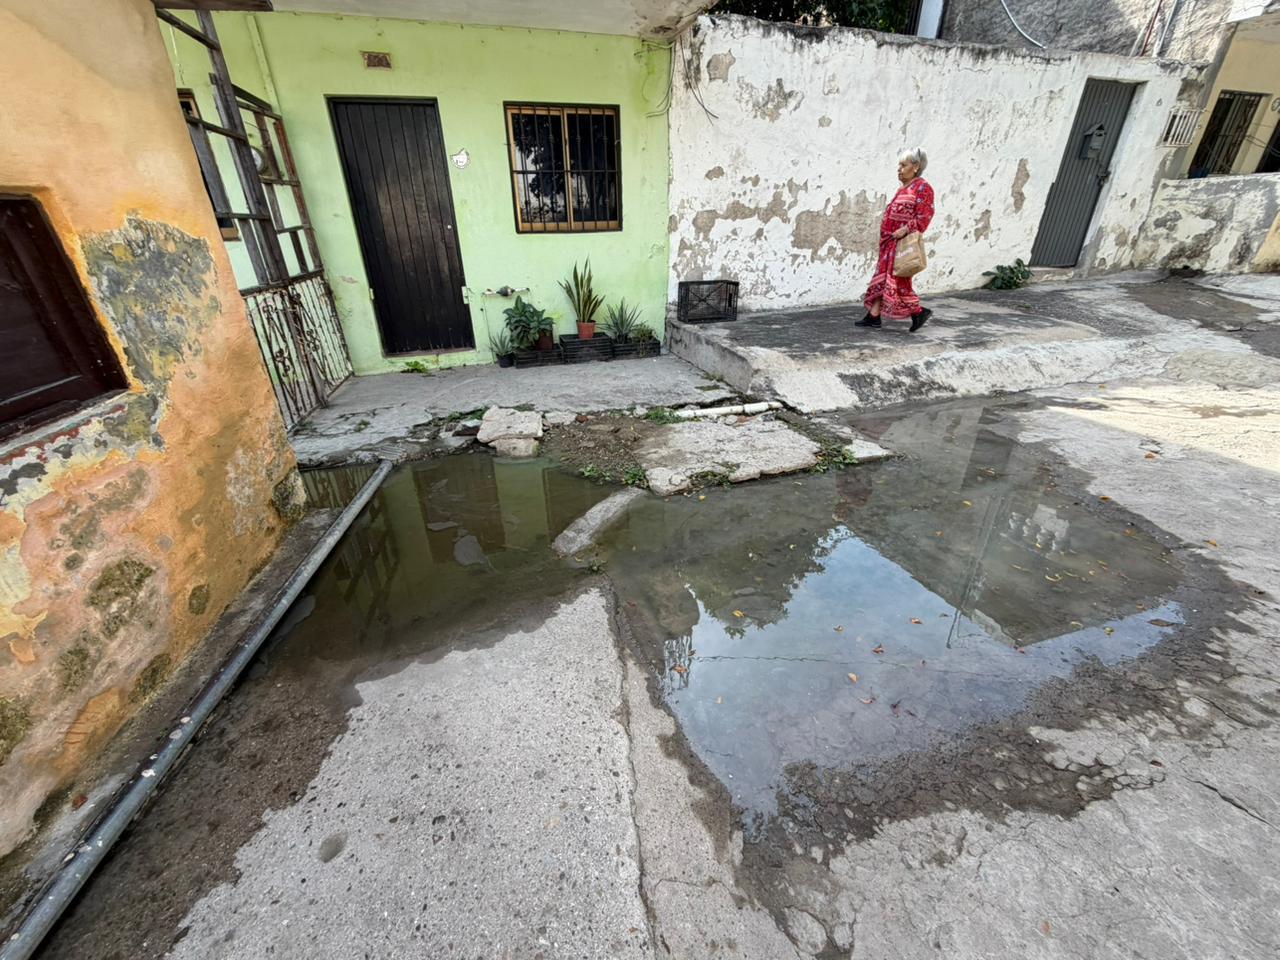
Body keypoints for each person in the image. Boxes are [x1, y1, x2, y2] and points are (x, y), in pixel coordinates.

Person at [856, 148, 935, 333]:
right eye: (899, 165)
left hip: (902, 244)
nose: (899, 169)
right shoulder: (903, 189)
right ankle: (873, 317)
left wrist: (905, 229)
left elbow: (925, 216)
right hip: (889, 242)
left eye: (903, 165)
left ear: (915, 167)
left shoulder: (923, 188)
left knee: (898, 281)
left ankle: (918, 312)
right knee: (884, 279)